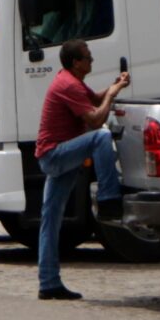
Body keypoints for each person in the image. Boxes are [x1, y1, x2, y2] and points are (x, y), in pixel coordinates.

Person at [33, 40, 129, 301]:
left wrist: (115, 85)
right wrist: (111, 95)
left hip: (56, 153)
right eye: (88, 57)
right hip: (54, 154)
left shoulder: (71, 80)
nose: (91, 61)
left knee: (50, 218)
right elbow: (97, 118)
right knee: (100, 137)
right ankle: (109, 198)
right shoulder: (68, 84)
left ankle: (49, 282)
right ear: (76, 62)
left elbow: (95, 99)